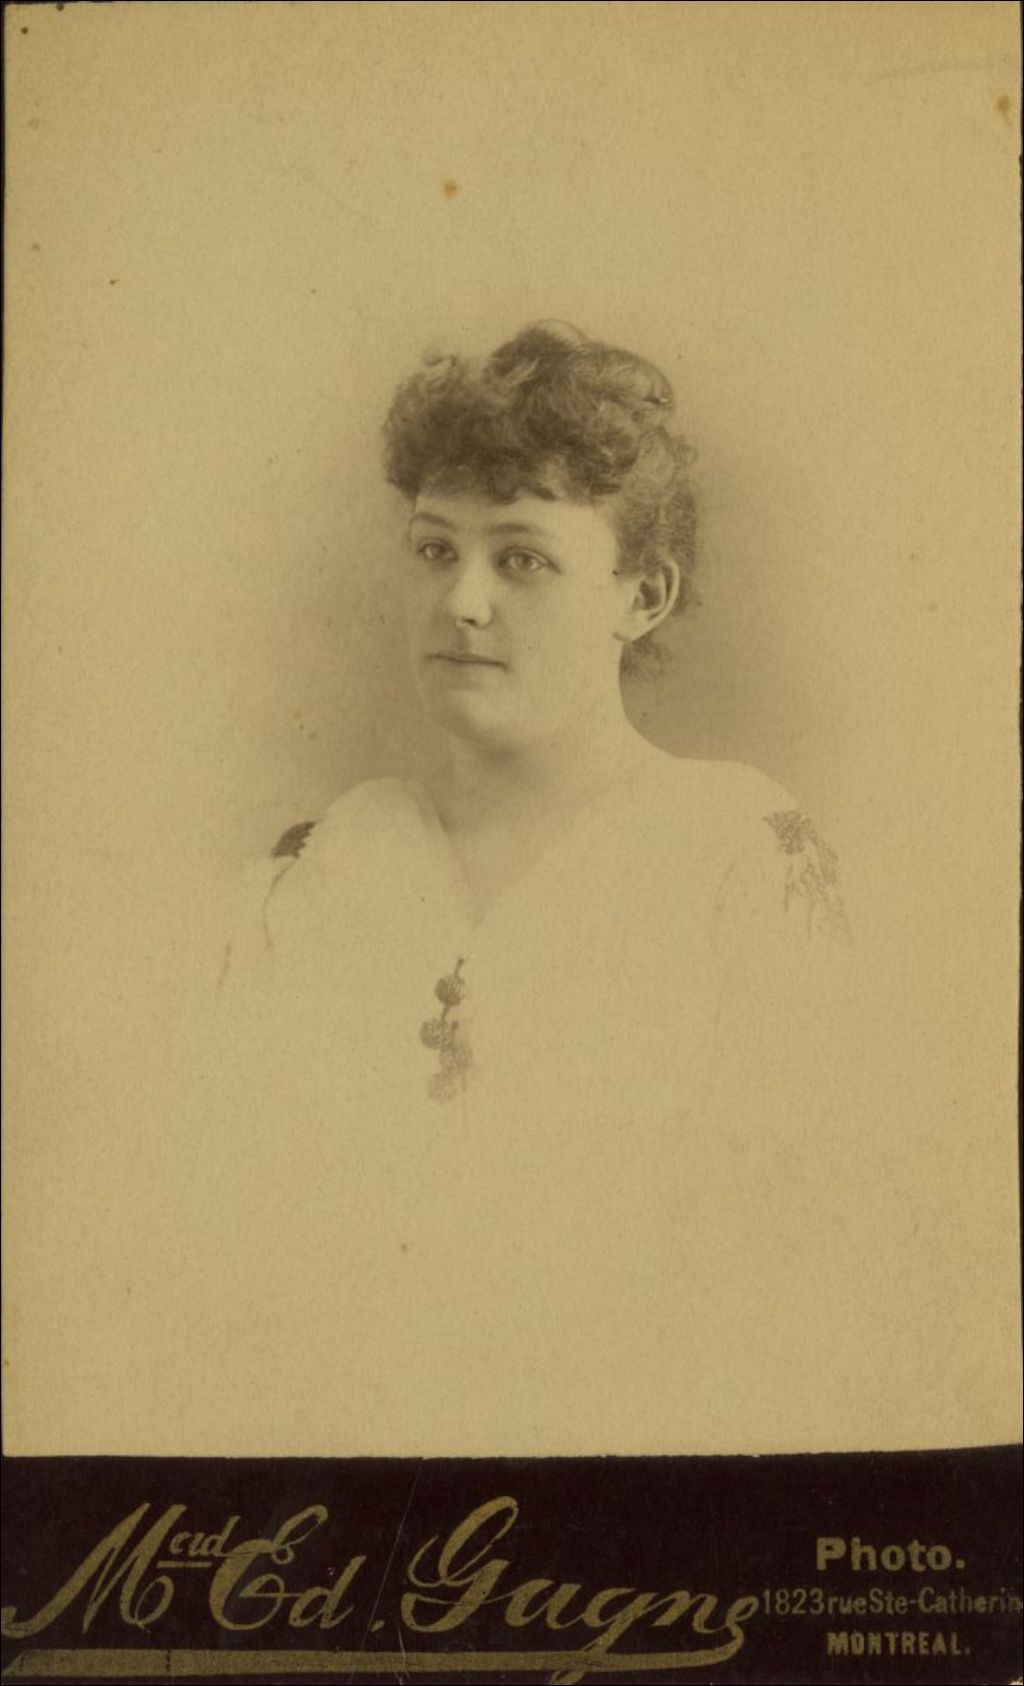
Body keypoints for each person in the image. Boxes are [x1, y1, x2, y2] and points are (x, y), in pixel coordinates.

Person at [212, 323, 855, 1453]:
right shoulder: (325, 863)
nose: (461, 600)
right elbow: (229, 1231)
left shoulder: (740, 852)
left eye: (522, 559)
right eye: (433, 549)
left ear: (640, 596)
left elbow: (794, 1264)